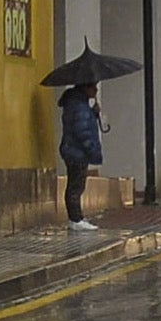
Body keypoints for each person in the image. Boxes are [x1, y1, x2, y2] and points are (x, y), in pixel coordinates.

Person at [54, 70, 104, 229]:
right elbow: (82, 131)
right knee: (76, 186)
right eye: (94, 87)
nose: (95, 90)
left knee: (76, 185)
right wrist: (92, 149)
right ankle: (75, 219)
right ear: (86, 88)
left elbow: (83, 123)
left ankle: (76, 218)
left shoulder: (78, 105)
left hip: (72, 150)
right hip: (77, 152)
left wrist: (94, 113)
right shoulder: (79, 107)